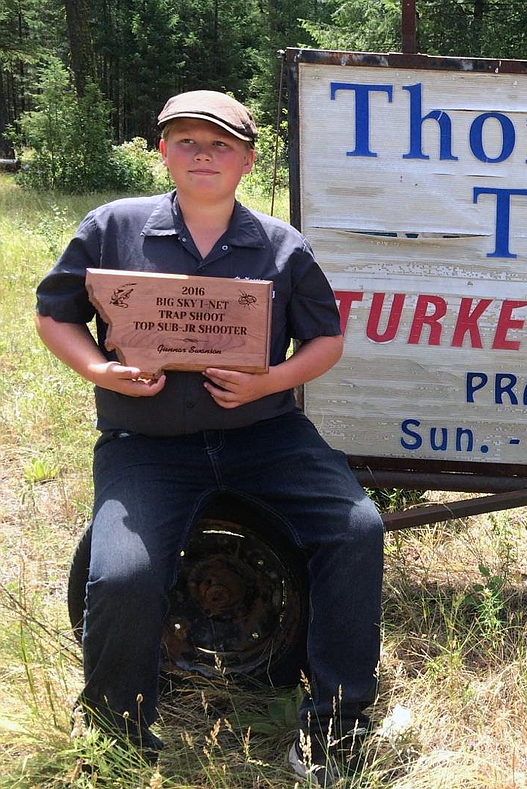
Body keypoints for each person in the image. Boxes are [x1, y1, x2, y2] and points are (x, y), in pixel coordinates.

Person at [34, 90, 385, 785]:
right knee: (124, 574)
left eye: (221, 144)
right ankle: (119, 737)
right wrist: (101, 368)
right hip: (147, 442)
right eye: (187, 141)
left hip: (265, 432)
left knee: (358, 527)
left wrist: (269, 380)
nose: (203, 155)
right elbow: (55, 315)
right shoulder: (112, 227)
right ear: (161, 150)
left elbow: (327, 339)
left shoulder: (280, 245)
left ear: (248, 160)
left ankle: (335, 727)